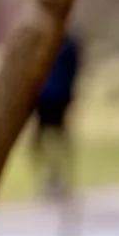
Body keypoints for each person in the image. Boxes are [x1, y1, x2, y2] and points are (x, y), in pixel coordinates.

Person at [32, 30, 83, 199]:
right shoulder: (46, 39)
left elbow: (74, 68)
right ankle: (51, 178)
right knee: (43, 140)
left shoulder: (67, 42)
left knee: (57, 139)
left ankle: (59, 179)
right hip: (46, 97)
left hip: (55, 97)